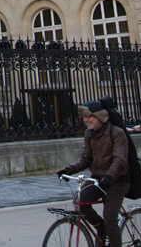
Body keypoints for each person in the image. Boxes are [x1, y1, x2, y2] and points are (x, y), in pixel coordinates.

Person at [57, 100, 129, 247]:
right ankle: (99, 227)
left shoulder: (117, 133)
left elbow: (120, 160)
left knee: (110, 219)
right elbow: (85, 158)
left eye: (89, 116)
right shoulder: (89, 134)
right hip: (98, 179)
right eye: (84, 117)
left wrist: (110, 177)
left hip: (117, 181)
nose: (85, 120)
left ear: (99, 116)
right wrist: (69, 169)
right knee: (80, 201)